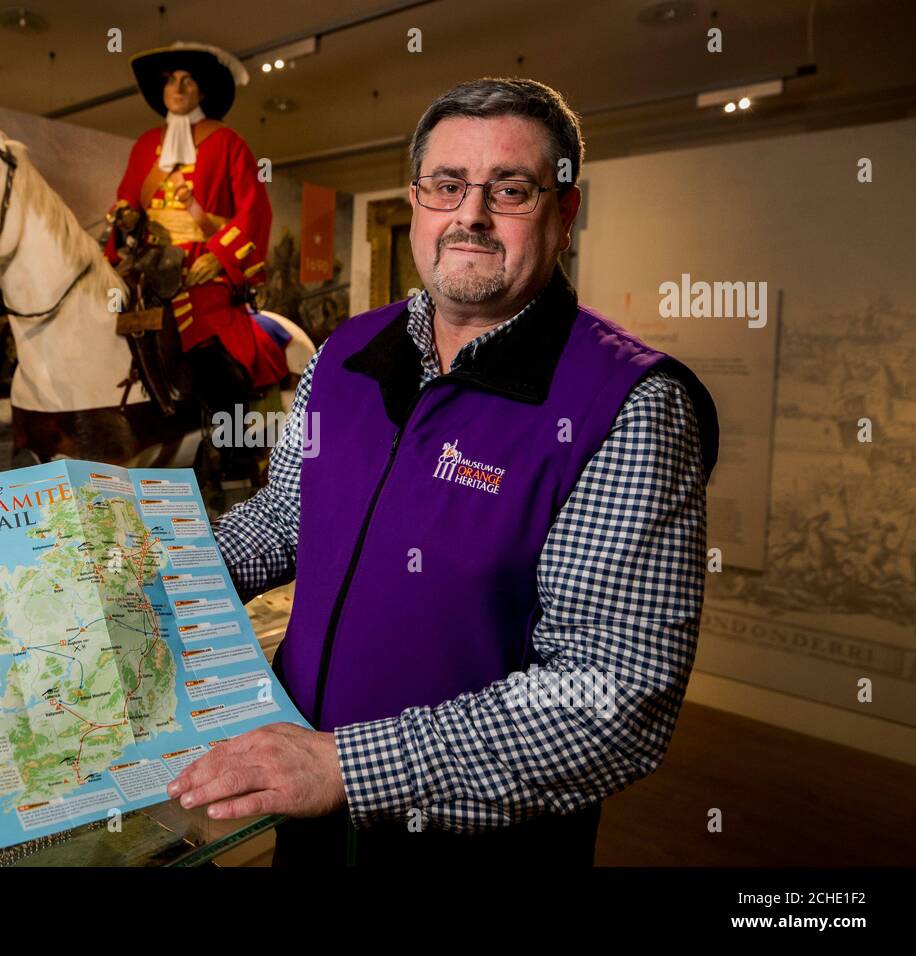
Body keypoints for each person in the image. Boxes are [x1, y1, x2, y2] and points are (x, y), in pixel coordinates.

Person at [167, 77, 720, 866]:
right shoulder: (344, 354)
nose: (471, 214)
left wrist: (345, 766)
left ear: (565, 213)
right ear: (419, 201)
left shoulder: (631, 404)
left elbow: (611, 693)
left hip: (473, 845)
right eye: (448, 185)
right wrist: (165, 574)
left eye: (513, 189)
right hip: (304, 816)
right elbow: (287, 515)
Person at [105, 42, 289, 475]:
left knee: (215, 363)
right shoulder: (146, 145)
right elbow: (127, 199)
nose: (177, 87)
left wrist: (221, 259)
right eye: (170, 79)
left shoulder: (228, 143)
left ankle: (236, 464)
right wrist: (126, 216)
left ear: (202, 91)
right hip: (149, 270)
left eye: (187, 80)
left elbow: (254, 212)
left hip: (205, 271)